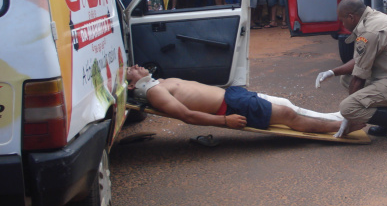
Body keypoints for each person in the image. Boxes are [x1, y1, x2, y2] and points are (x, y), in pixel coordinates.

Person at [315, 0, 387, 151]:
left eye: (342, 20)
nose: (342, 23)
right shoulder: (372, 17)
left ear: (351, 17)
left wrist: (349, 116)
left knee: (348, 106)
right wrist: (332, 72)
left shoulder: (369, 32)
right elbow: (360, 60)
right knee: (345, 79)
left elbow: (359, 78)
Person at [126, 65, 342, 134]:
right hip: (229, 106)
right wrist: (225, 121)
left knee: (285, 105)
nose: (135, 66)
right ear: (133, 85)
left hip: (232, 95)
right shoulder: (155, 93)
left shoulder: (159, 83)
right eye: (131, 70)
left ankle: (332, 117)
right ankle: (339, 126)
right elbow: (187, 116)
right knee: (287, 115)